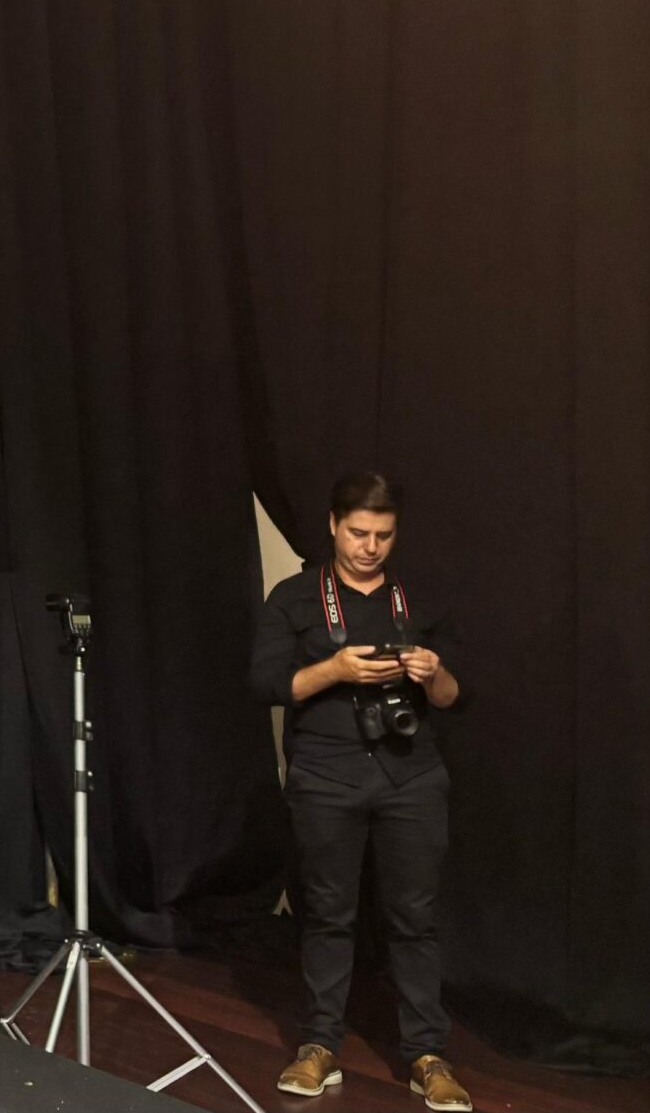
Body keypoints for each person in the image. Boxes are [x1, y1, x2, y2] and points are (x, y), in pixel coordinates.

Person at [251, 473, 469, 1112]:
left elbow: (454, 698)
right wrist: (335, 669)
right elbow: (266, 685)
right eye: (357, 533)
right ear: (332, 525)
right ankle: (320, 1044)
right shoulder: (295, 597)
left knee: (415, 918)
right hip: (325, 775)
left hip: (412, 776)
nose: (370, 547)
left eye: (383, 535)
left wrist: (433, 672)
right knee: (327, 913)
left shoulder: (418, 596)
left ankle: (426, 1055)